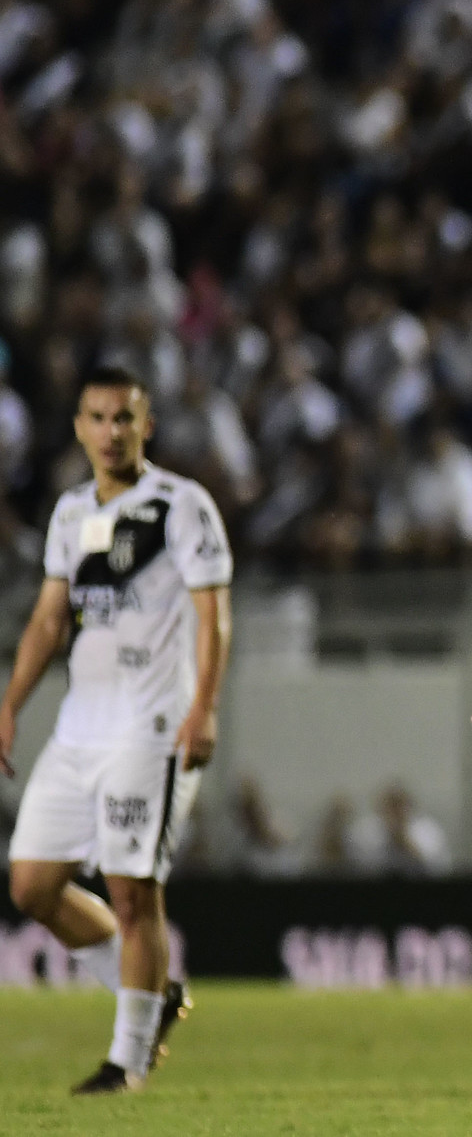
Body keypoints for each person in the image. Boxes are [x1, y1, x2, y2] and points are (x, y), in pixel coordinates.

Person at [0, 364, 232, 1093]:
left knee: (134, 892)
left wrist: (205, 706)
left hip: (151, 725)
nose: (110, 432)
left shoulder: (182, 505)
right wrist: (9, 704)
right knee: (32, 885)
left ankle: (127, 1062)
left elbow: (211, 615)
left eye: (123, 418)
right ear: (77, 427)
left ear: (146, 426)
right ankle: (154, 995)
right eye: (96, 418)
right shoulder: (71, 512)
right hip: (79, 728)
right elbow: (48, 619)